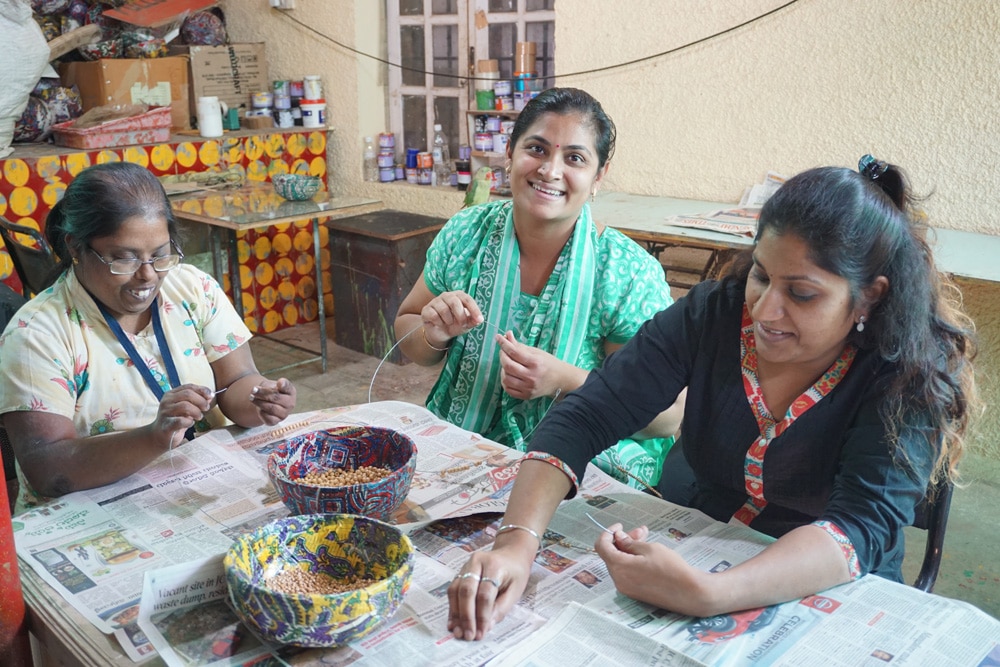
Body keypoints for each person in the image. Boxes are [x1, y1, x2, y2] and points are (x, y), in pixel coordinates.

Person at [446, 156, 978, 640]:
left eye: (802, 293)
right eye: (762, 275)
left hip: (831, 584)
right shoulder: (718, 313)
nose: (766, 310)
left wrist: (709, 594)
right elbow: (590, 411)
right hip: (707, 538)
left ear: (870, 295)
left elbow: (858, 528)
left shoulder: (905, 371)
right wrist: (516, 542)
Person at [394, 87, 685, 491]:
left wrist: (565, 380)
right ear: (510, 153)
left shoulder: (625, 271)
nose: (550, 171)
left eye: (575, 159)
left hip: (579, 456)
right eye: (537, 149)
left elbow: (668, 414)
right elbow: (408, 329)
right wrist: (434, 333)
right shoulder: (466, 234)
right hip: (466, 444)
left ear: (598, 177)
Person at [0, 162, 296, 512]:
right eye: (123, 260)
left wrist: (262, 400)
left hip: (194, 485)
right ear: (76, 248)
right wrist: (153, 437)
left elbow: (238, 381)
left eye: (160, 255)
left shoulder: (192, 289)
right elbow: (47, 470)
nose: (147, 276)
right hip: (95, 508)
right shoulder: (37, 333)